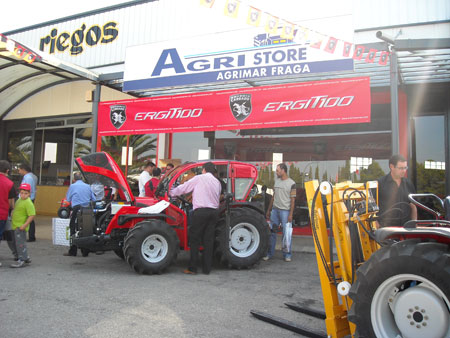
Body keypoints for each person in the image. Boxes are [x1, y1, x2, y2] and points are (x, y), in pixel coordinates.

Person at [170, 162, 221, 275]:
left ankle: (192, 268)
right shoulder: (217, 182)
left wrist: (171, 192)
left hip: (201, 212)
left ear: (204, 170)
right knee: (208, 240)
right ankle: (207, 269)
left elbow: (184, 188)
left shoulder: (199, 178)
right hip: (213, 212)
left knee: (194, 239)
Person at [264, 163, 296, 262]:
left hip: (285, 211)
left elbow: (293, 200)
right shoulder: (277, 181)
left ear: (283, 170)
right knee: (272, 232)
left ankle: (287, 254)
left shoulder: (292, 183)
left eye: (277, 170)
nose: (276, 172)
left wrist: (290, 214)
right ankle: (269, 253)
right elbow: (274, 196)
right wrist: (269, 210)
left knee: (286, 234)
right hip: (275, 210)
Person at [377, 154, 417, 227]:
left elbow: (413, 205)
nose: (404, 171)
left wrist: (414, 223)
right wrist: (376, 225)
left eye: (405, 168)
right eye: (401, 168)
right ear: (391, 167)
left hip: (406, 228)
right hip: (386, 230)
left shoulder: (408, 184)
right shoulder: (380, 183)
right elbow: (371, 207)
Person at [64, 173, 95, 256]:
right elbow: (94, 198)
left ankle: (73, 251)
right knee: (87, 229)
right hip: (87, 210)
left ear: (74, 179)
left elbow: (68, 199)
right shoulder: (88, 186)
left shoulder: (72, 186)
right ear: (81, 178)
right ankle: (85, 252)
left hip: (76, 209)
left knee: (73, 228)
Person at [10, 183, 35, 268]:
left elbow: (32, 215)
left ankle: (22, 259)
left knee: (20, 244)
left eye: (25, 193)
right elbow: (17, 208)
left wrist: (25, 225)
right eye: (21, 193)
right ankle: (25, 257)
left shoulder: (28, 203)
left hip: (20, 227)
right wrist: (13, 211)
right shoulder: (19, 200)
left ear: (29, 193)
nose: (23, 195)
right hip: (15, 225)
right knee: (16, 243)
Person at [0, 160, 16, 268]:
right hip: (2, 214)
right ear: (7, 170)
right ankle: (18, 254)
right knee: (8, 234)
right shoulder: (9, 184)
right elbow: (11, 204)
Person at [18, 163, 38, 242]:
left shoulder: (28, 177)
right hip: (30, 198)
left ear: (23, 169)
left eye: (19, 170)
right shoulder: (33, 176)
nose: (19, 171)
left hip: (27, 199)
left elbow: (27, 190)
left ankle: (31, 236)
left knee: (28, 217)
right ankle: (30, 235)